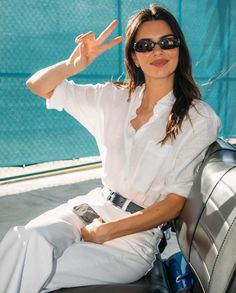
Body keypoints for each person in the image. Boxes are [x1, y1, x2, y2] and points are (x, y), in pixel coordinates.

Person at [0, 4, 220, 293]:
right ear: (134, 56)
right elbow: (37, 85)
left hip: (132, 241)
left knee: (32, 267)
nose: (158, 52)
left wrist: (105, 232)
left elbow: (172, 204)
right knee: (24, 241)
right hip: (90, 207)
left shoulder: (198, 118)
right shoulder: (113, 97)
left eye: (167, 42)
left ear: (179, 49)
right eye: (145, 45)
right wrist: (72, 66)